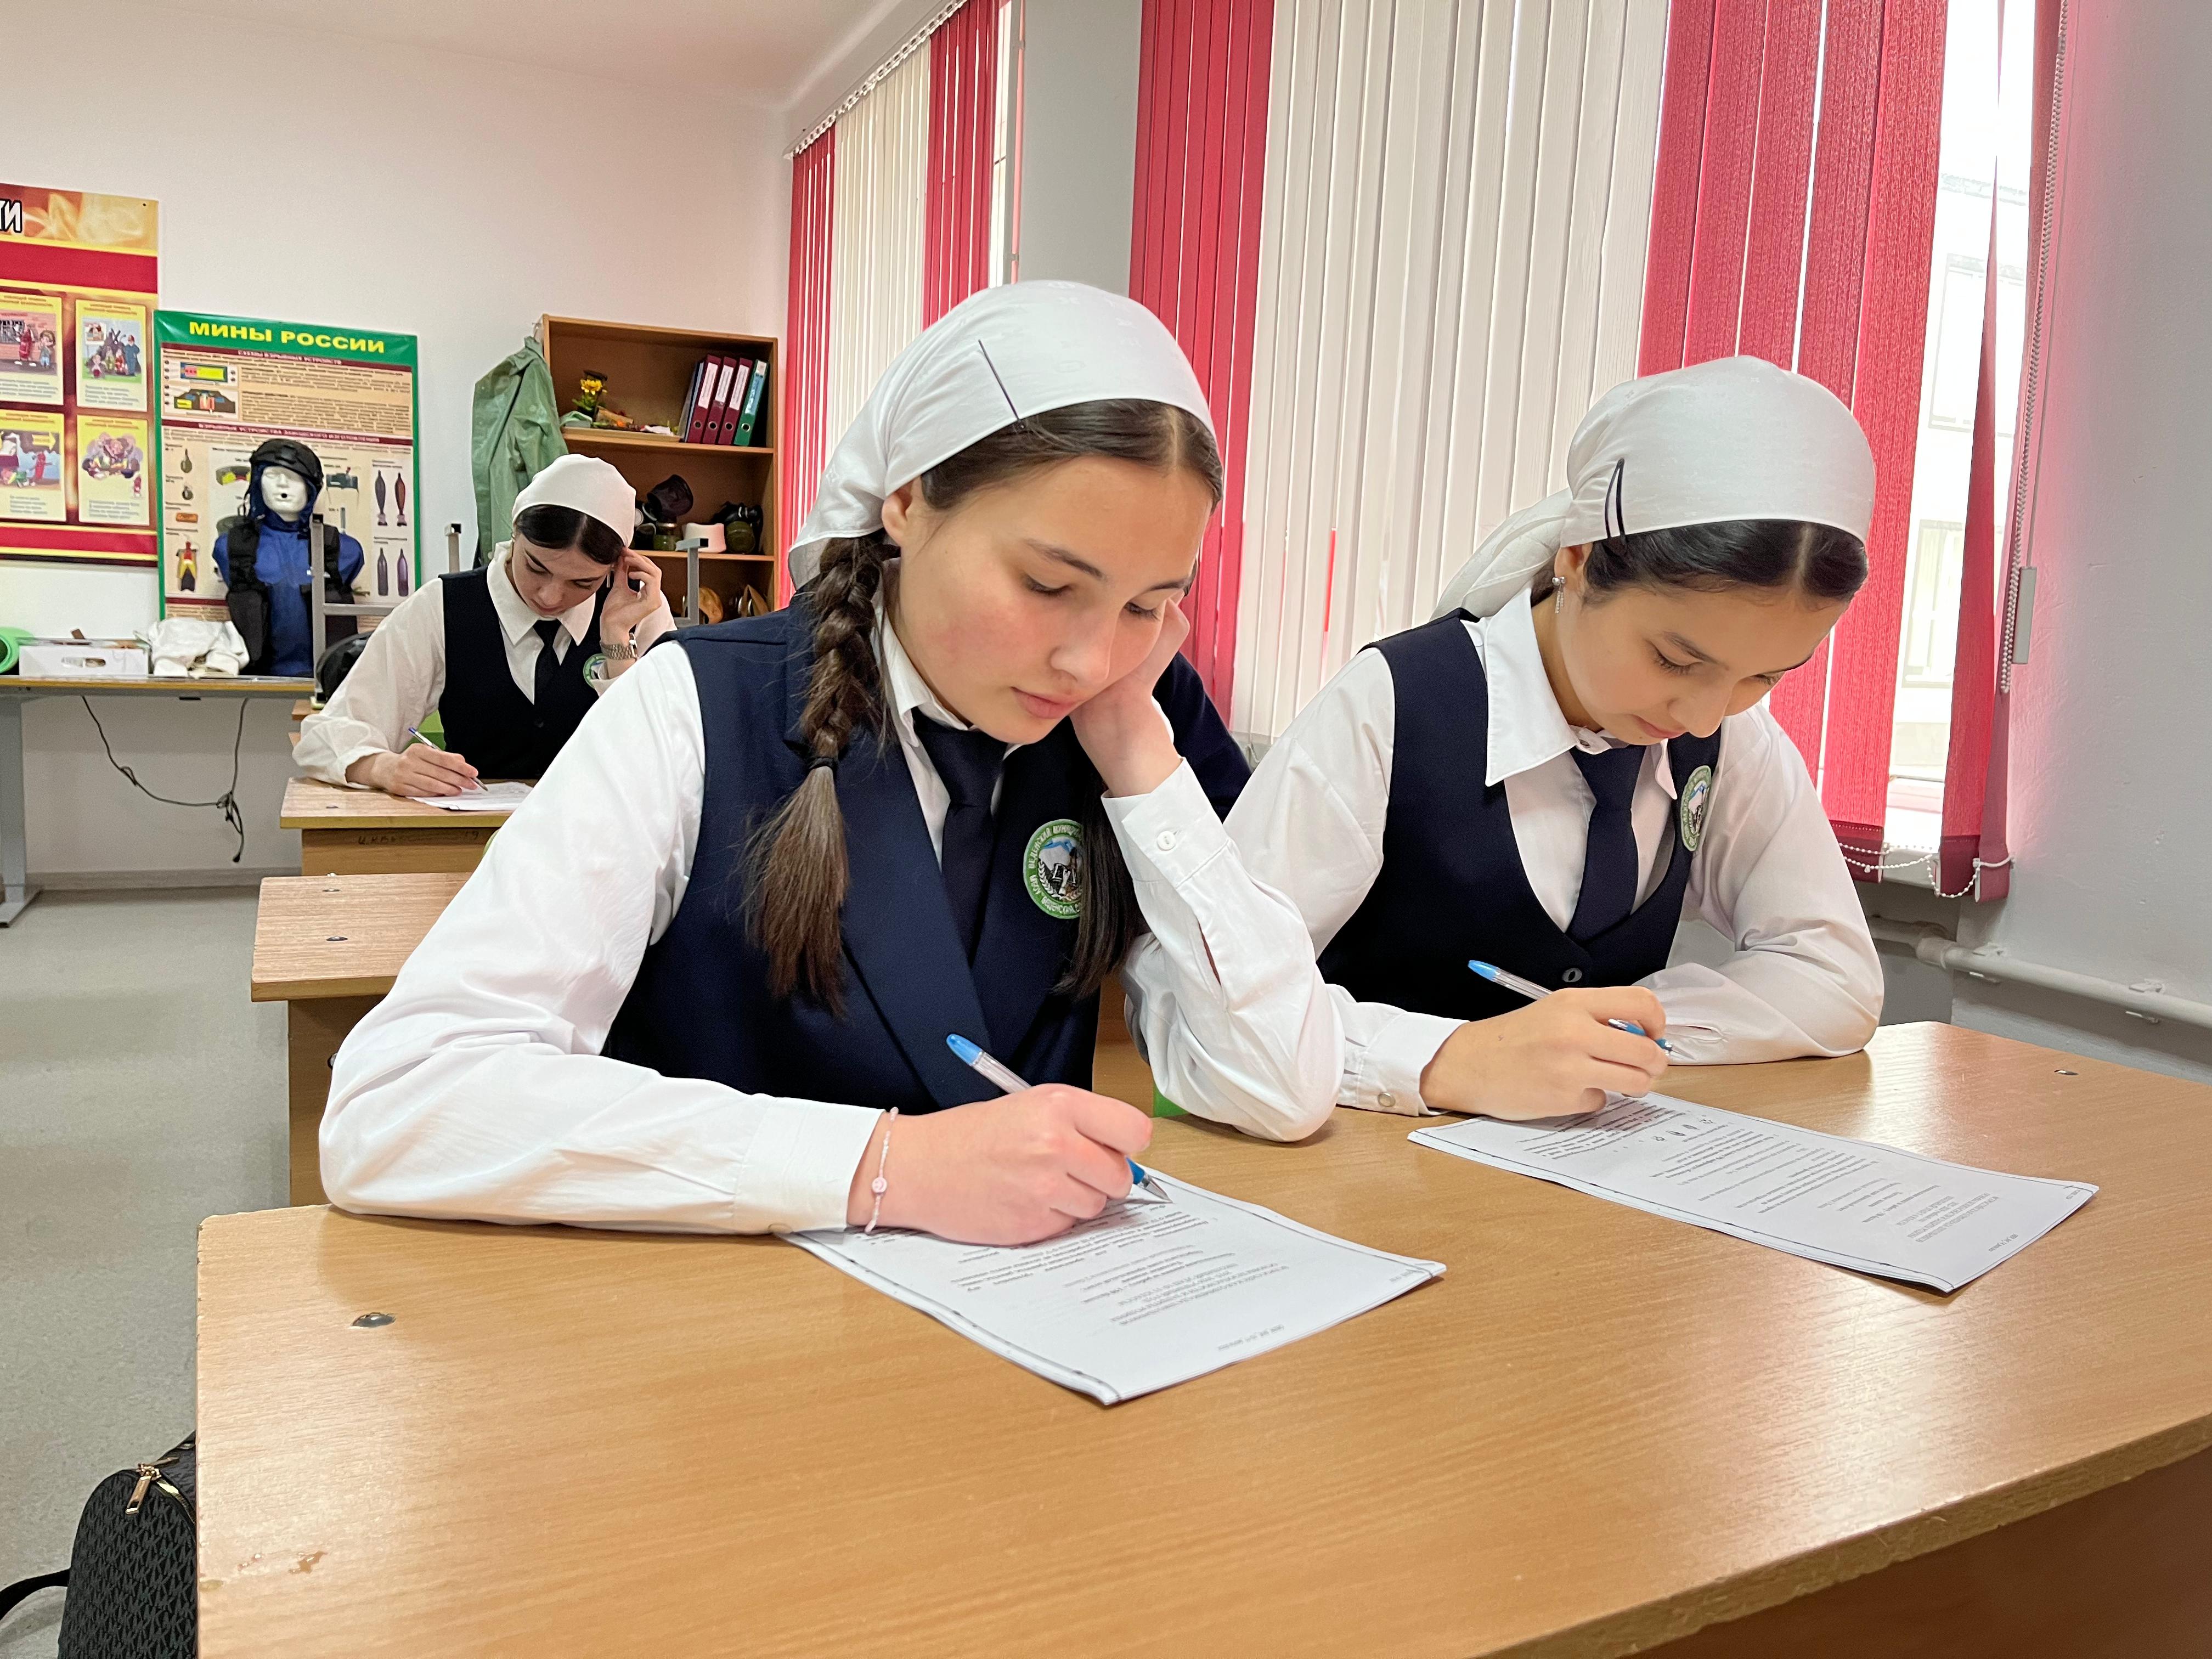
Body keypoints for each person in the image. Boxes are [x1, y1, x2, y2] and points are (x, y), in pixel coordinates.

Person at [320, 283, 1333, 1244]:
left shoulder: (1125, 712)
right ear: (908, 501)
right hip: (730, 1326)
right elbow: (401, 1104)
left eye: (1149, 603)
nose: (1091, 657)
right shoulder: (701, 702)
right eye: (1047, 584)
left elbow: (1279, 1086)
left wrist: (1138, 755)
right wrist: (885, 1165)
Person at [1138, 355, 1885, 1131]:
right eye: (1674, 660)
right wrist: (1446, 1059)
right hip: (1350, 1160)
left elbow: (1833, 975)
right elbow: (1198, 996)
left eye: (1764, 676)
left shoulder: (1730, 737)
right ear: (1578, 559)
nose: (1704, 716)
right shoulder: (1397, 706)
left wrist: (1626, 1032)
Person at [296, 454, 670, 795]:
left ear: (616, 567)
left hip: (602, 836)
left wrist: (617, 643)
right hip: (468, 836)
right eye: (536, 567)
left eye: (582, 583)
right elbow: (326, 735)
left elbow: (668, 756)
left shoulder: (638, 610)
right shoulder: (443, 606)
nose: (551, 597)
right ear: (515, 531)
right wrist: (382, 767)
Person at [212, 438, 366, 677]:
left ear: (310, 488)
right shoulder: (231, 547)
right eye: (272, 475)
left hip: (328, 683)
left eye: (294, 477)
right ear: (258, 482)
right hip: (256, 684)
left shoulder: (344, 550)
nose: (282, 484)